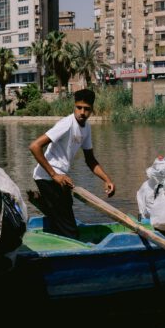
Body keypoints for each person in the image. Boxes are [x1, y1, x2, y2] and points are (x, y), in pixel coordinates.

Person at [29, 88, 115, 239]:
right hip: (47, 177)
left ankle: (44, 204)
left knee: (66, 210)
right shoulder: (67, 124)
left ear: (92, 110)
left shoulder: (86, 128)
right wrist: (54, 175)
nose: (82, 112)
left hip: (60, 178)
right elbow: (35, 146)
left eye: (86, 109)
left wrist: (107, 180)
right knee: (70, 231)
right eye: (79, 107)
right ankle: (48, 207)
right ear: (74, 106)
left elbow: (90, 160)